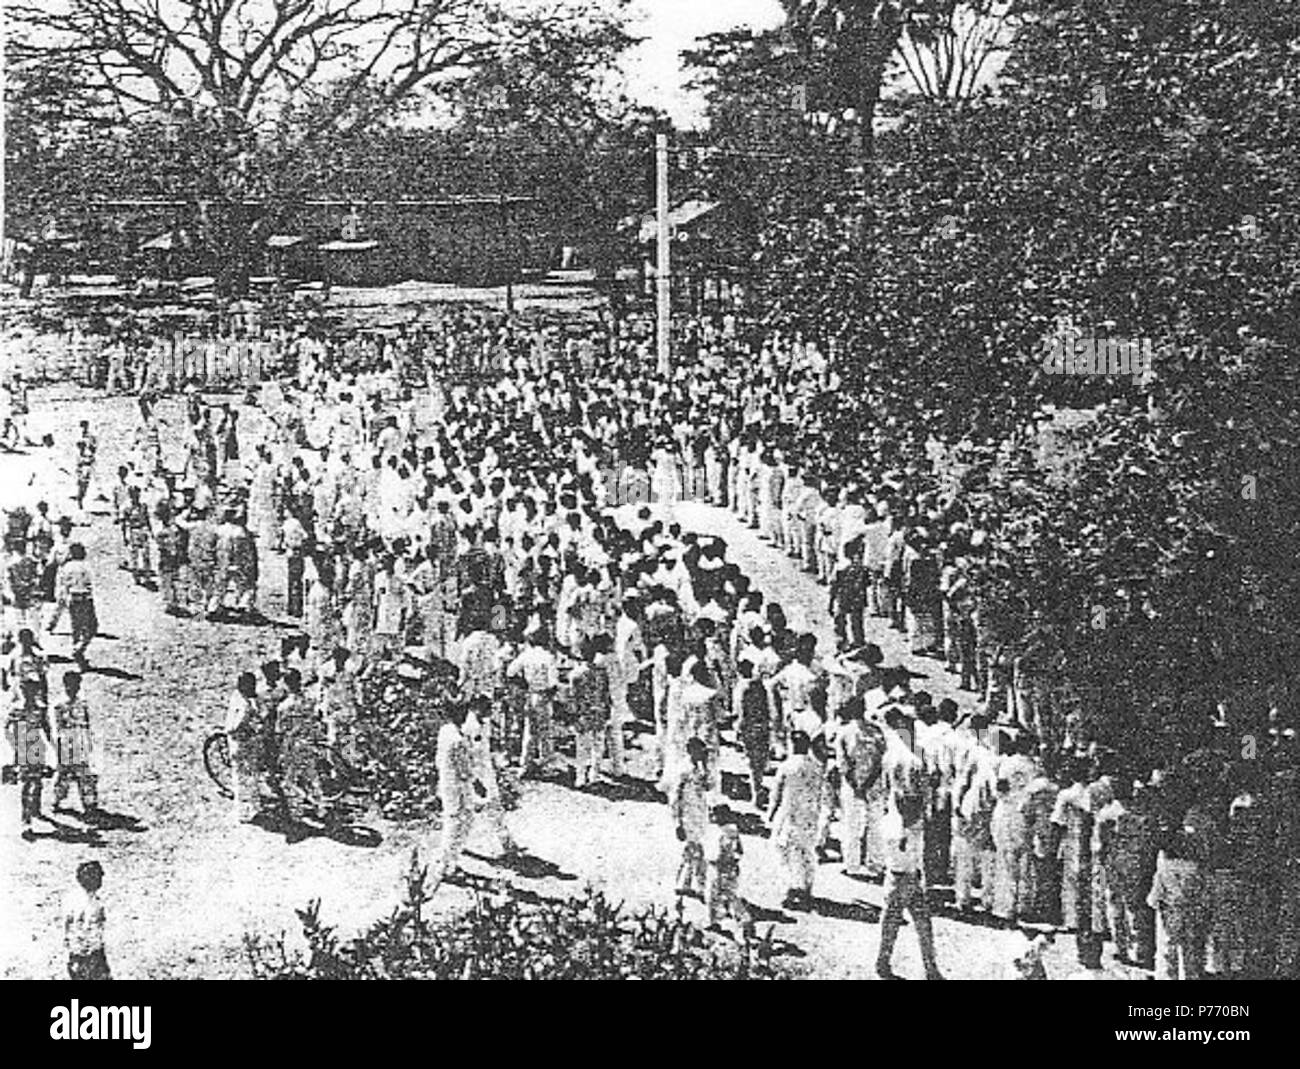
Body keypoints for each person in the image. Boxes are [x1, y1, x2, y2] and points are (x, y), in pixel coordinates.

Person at [876, 792, 944, 980]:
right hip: (898, 880)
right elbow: (902, 847)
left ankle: (931, 968)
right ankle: (882, 962)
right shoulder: (893, 825)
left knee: (924, 925)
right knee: (891, 925)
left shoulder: (912, 824)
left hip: (912, 877)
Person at [767, 730, 823, 910]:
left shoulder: (786, 766)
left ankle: (790, 890)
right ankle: (806, 888)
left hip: (789, 815)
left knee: (784, 853)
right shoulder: (817, 767)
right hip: (810, 815)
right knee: (806, 853)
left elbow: (776, 793)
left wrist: (771, 812)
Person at [1148, 828, 1209, 981]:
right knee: (1192, 947)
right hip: (1192, 912)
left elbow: (1153, 898)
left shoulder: (1164, 869)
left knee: (1170, 948)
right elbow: (1203, 892)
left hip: (1171, 913)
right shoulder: (1195, 868)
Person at [433, 703, 480, 887]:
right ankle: (445, 865)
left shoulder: (445, 731)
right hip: (458, 787)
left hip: (446, 781)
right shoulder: (457, 740)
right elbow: (465, 771)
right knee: (459, 823)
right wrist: (476, 783)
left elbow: (438, 759)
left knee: (455, 822)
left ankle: (447, 861)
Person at [669, 737, 711, 900]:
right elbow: (674, 798)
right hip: (687, 816)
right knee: (696, 850)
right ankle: (699, 885)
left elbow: (706, 786)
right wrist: (677, 823)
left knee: (692, 851)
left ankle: (683, 883)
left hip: (698, 814)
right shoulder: (683, 770)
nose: (703, 753)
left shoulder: (698, 768)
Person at [52, 670, 97, 815]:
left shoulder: (82, 704)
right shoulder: (60, 705)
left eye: (76, 685)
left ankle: (89, 802)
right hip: (66, 740)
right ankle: (57, 799)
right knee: (64, 773)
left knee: (84, 772)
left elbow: (86, 723)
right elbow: (59, 727)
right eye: (70, 685)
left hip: (79, 738)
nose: (73, 689)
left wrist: (87, 741)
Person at [568, 636, 611, 788]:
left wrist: (572, 715)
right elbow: (606, 694)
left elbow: (573, 698)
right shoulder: (601, 672)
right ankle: (595, 774)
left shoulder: (576, 674)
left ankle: (580, 776)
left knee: (582, 746)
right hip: (598, 711)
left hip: (583, 713)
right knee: (598, 744)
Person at [705, 803, 751, 937]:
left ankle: (719, 921)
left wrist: (723, 860)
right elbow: (739, 851)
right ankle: (740, 918)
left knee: (714, 895)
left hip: (720, 868)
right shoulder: (729, 830)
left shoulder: (725, 832)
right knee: (727, 895)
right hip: (726, 868)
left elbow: (721, 852)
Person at [225, 671, 263, 823]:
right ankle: (253, 807)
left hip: (239, 743)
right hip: (247, 742)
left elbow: (233, 727)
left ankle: (244, 812)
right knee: (251, 776)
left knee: (240, 778)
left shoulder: (238, 698)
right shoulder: (247, 703)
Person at [64, 860, 111, 980]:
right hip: (88, 952)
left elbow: (67, 927)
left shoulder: (74, 900)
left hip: (82, 952)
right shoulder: (93, 905)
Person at [735, 658, 772, 810]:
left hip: (749, 726)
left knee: (752, 762)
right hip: (761, 725)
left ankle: (756, 792)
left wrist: (739, 728)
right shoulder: (759, 686)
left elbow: (741, 710)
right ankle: (758, 789)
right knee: (760, 760)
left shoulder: (742, 687)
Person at [53, 543, 97, 667]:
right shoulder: (85, 567)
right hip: (85, 598)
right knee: (92, 627)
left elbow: (62, 586)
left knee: (76, 627)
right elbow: (89, 583)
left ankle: (78, 655)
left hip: (72, 599)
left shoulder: (66, 567)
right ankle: (78, 650)